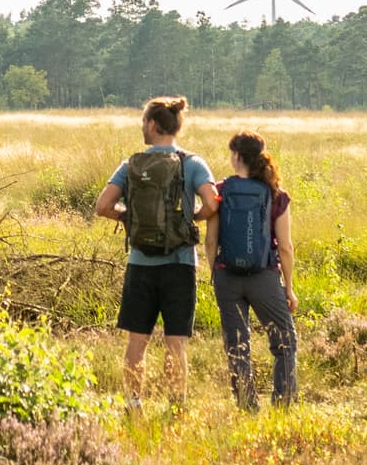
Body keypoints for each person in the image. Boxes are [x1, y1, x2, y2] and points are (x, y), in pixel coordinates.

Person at [95, 94, 215, 410]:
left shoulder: (131, 165)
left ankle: (134, 404)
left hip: (140, 264)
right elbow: (213, 202)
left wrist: (127, 216)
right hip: (180, 264)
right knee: (176, 343)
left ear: (151, 124)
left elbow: (102, 206)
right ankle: (176, 405)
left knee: (137, 342)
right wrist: (193, 219)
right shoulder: (193, 163)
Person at [214, 130, 295, 407]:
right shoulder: (276, 194)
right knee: (285, 340)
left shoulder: (220, 190)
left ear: (236, 156)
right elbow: (285, 247)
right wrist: (289, 288)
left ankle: (247, 407)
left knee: (237, 344)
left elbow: (211, 239)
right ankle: (283, 404)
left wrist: (215, 271)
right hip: (264, 277)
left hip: (227, 276)